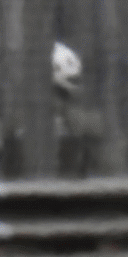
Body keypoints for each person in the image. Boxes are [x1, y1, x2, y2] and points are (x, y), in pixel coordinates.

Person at [52, 42, 106, 177]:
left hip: (79, 125)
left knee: (81, 143)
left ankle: (82, 168)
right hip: (74, 122)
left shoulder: (73, 93)